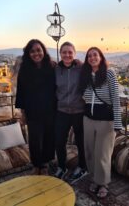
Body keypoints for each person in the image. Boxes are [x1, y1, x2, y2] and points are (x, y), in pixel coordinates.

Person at [79, 47, 122, 198]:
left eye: (95, 55)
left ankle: (103, 183)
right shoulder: (85, 74)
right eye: (89, 56)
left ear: (101, 57)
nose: (92, 58)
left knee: (102, 153)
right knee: (89, 151)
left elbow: (116, 99)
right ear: (87, 59)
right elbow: (84, 94)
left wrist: (118, 123)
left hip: (105, 120)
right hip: (88, 118)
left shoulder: (109, 73)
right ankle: (95, 179)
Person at [15, 39, 56, 175]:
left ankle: (45, 163)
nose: (36, 53)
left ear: (43, 51)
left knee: (49, 136)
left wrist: (77, 62)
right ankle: (36, 163)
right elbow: (20, 91)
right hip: (32, 110)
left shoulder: (52, 66)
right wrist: (22, 112)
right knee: (34, 138)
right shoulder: (24, 69)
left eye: (38, 50)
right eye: (32, 51)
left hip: (50, 109)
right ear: (28, 53)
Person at [54, 41, 87, 182]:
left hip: (79, 111)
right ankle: (62, 167)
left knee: (81, 141)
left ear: (74, 54)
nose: (67, 55)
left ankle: (82, 167)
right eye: (64, 52)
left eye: (70, 52)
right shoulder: (55, 70)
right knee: (59, 141)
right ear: (60, 54)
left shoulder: (81, 68)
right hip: (62, 111)